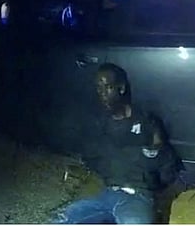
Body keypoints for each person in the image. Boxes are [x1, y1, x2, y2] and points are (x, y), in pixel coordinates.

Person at [52, 63, 181, 224]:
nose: (102, 94)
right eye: (99, 89)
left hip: (137, 197)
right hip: (106, 196)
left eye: (108, 87)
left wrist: (154, 157)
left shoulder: (146, 122)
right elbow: (90, 159)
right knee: (61, 220)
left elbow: (166, 169)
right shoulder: (99, 124)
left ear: (121, 88)